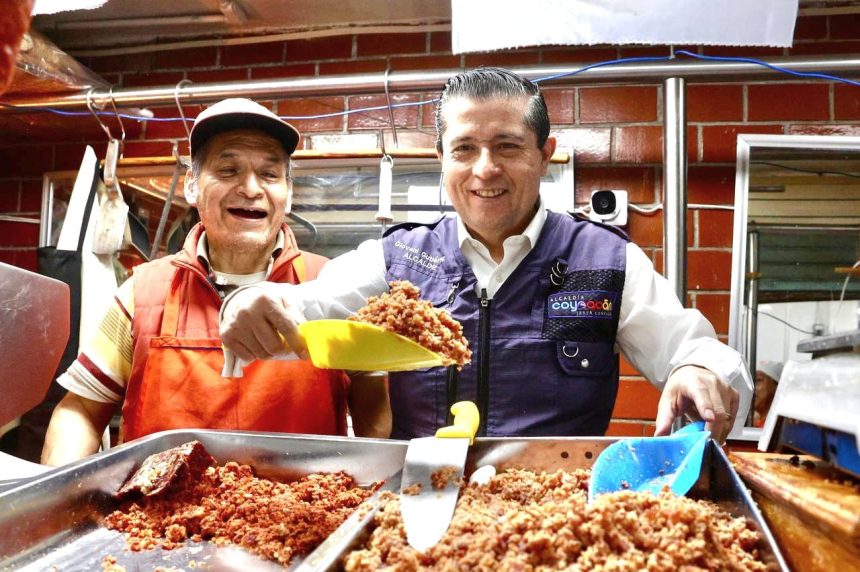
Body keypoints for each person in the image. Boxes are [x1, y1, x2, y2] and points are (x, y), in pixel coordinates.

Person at [219, 68, 751, 443]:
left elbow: (698, 352)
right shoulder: (397, 257)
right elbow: (302, 308)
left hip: (553, 512)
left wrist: (698, 370)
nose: (485, 169)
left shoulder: (605, 259)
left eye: (509, 146)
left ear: (545, 154)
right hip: (422, 505)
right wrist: (250, 301)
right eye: (465, 149)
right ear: (441, 159)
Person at [40, 98, 389, 467]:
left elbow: (374, 415)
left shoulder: (333, 287)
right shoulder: (140, 292)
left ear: (288, 195)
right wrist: (57, 504)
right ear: (192, 186)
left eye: (269, 174)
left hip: (303, 517)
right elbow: (79, 410)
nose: (251, 188)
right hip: (161, 518)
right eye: (228, 170)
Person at [754, 360, 782, 426]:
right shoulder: (755, 424)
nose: (752, 387)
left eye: (758, 380)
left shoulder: (778, 426)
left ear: (777, 387)